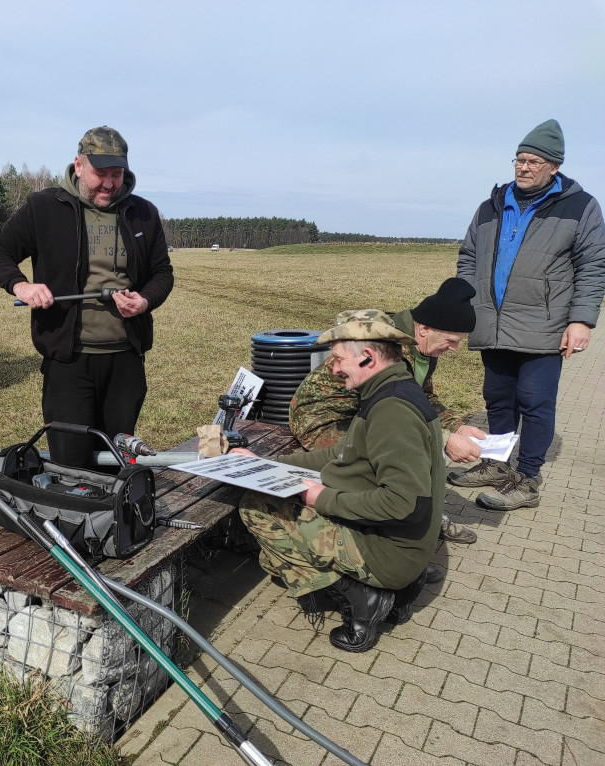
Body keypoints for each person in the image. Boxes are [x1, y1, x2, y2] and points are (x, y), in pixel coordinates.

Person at [237, 311, 443, 653]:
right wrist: (264, 463)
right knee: (272, 507)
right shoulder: (390, 390)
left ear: (368, 356)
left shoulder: (391, 411)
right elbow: (336, 455)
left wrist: (319, 498)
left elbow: (402, 503)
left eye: (337, 359)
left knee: (255, 507)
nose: (333, 370)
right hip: (404, 545)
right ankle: (396, 588)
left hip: (391, 554)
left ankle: (365, 598)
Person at [0, 126, 173, 468]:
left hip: (126, 361)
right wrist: (21, 286)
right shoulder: (44, 208)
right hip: (68, 361)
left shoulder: (143, 212)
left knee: (119, 459)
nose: (110, 184)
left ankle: (114, 519)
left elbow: (163, 273)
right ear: (79, 165)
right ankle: (72, 518)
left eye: (118, 175)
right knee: (71, 461)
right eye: (101, 174)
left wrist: (144, 301)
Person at [454, 119, 605, 510]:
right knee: (498, 400)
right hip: (493, 323)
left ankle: (528, 479)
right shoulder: (492, 204)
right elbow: (468, 256)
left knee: (535, 401)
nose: (523, 167)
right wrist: (468, 301)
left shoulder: (580, 206)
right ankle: (497, 464)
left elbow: (592, 265)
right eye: (519, 159)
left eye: (534, 161)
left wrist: (581, 320)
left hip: (545, 325)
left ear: (554, 167)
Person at [289, 278, 484, 544]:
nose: (455, 349)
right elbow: (398, 416)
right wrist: (446, 438)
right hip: (325, 418)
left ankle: (420, 519)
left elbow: (424, 398)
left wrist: (457, 425)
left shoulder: (422, 349)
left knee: (410, 451)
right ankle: (366, 536)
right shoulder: (392, 345)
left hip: (365, 415)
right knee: (383, 456)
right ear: (424, 328)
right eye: (451, 340)